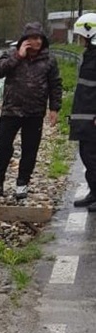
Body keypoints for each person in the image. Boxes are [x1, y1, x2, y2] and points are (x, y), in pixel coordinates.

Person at [0, 22, 63, 199]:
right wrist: (18, 56)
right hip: (11, 111)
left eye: (39, 38)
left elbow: (55, 84)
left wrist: (54, 108)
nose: (37, 41)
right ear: (25, 40)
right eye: (33, 38)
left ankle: (22, 184)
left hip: (35, 113)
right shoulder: (12, 54)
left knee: (30, 149)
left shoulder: (49, 59)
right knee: (3, 147)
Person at [69, 13, 96, 210]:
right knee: (87, 155)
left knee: (92, 156)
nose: (79, 40)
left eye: (81, 36)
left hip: (92, 117)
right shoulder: (89, 56)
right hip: (85, 115)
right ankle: (94, 192)